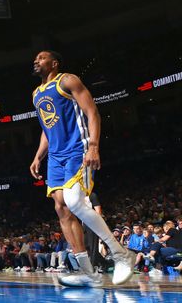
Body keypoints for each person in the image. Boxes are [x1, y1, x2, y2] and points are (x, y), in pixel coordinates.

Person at [29, 51, 132, 288]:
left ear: (54, 63)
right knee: (61, 208)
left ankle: (121, 254)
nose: (36, 60)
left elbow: (92, 112)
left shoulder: (67, 80)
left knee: (75, 201)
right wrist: (38, 156)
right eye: (35, 58)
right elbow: (47, 127)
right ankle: (89, 273)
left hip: (77, 148)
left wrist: (93, 146)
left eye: (42, 57)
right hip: (55, 156)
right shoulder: (36, 94)